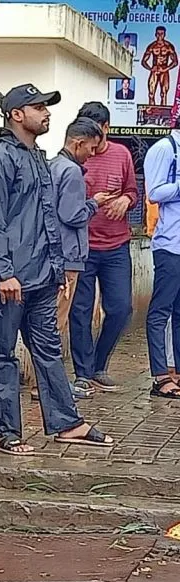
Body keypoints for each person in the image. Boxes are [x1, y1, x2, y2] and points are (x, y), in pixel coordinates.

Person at [0, 84, 114, 456]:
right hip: (10, 279)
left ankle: (67, 422)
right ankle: (3, 431)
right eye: (37, 107)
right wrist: (4, 272)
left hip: (40, 276)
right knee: (3, 353)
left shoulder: (38, 157)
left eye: (46, 107)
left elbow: (48, 219)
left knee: (49, 350)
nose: (46, 113)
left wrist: (55, 270)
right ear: (16, 115)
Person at [44, 117, 117, 401]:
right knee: (55, 324)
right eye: (91, 148)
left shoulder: (52, 166)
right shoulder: (72, 172)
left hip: (52, 253)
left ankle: (49, 383)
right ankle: (49, 386)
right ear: (78, 143)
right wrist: (94, 203)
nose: (92, 154)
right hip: (68, 256)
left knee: (49, 323)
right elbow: (72, 215)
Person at [69, 102, 138, 394]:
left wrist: (127, 201)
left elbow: (133, 191)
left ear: (106, 128)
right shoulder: (74, 158)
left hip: (116, 246)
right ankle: (83, 373)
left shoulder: (122, 154)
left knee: (121, 308)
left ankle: (99, 365)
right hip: (83, 248)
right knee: (80, 312)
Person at [142, 118, 180, 397]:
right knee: (160, 312)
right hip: (170, 246)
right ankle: (160, 376)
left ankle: (177, 372)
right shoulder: (165, 149)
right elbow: (154, 192)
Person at [143, 26, 178, 107]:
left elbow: (175, 62)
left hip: (164, 71)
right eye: (158, 34)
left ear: (164, 35)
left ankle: (162, 113)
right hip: (154, 71)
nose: (159, 36)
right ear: (155, 34)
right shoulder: (152, 46)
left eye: (161, 34)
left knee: (163, 93)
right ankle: (151, 112)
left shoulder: (169, 46)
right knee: (151, 93)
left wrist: (166, 68)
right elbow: (143, 61)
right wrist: (151, 68)